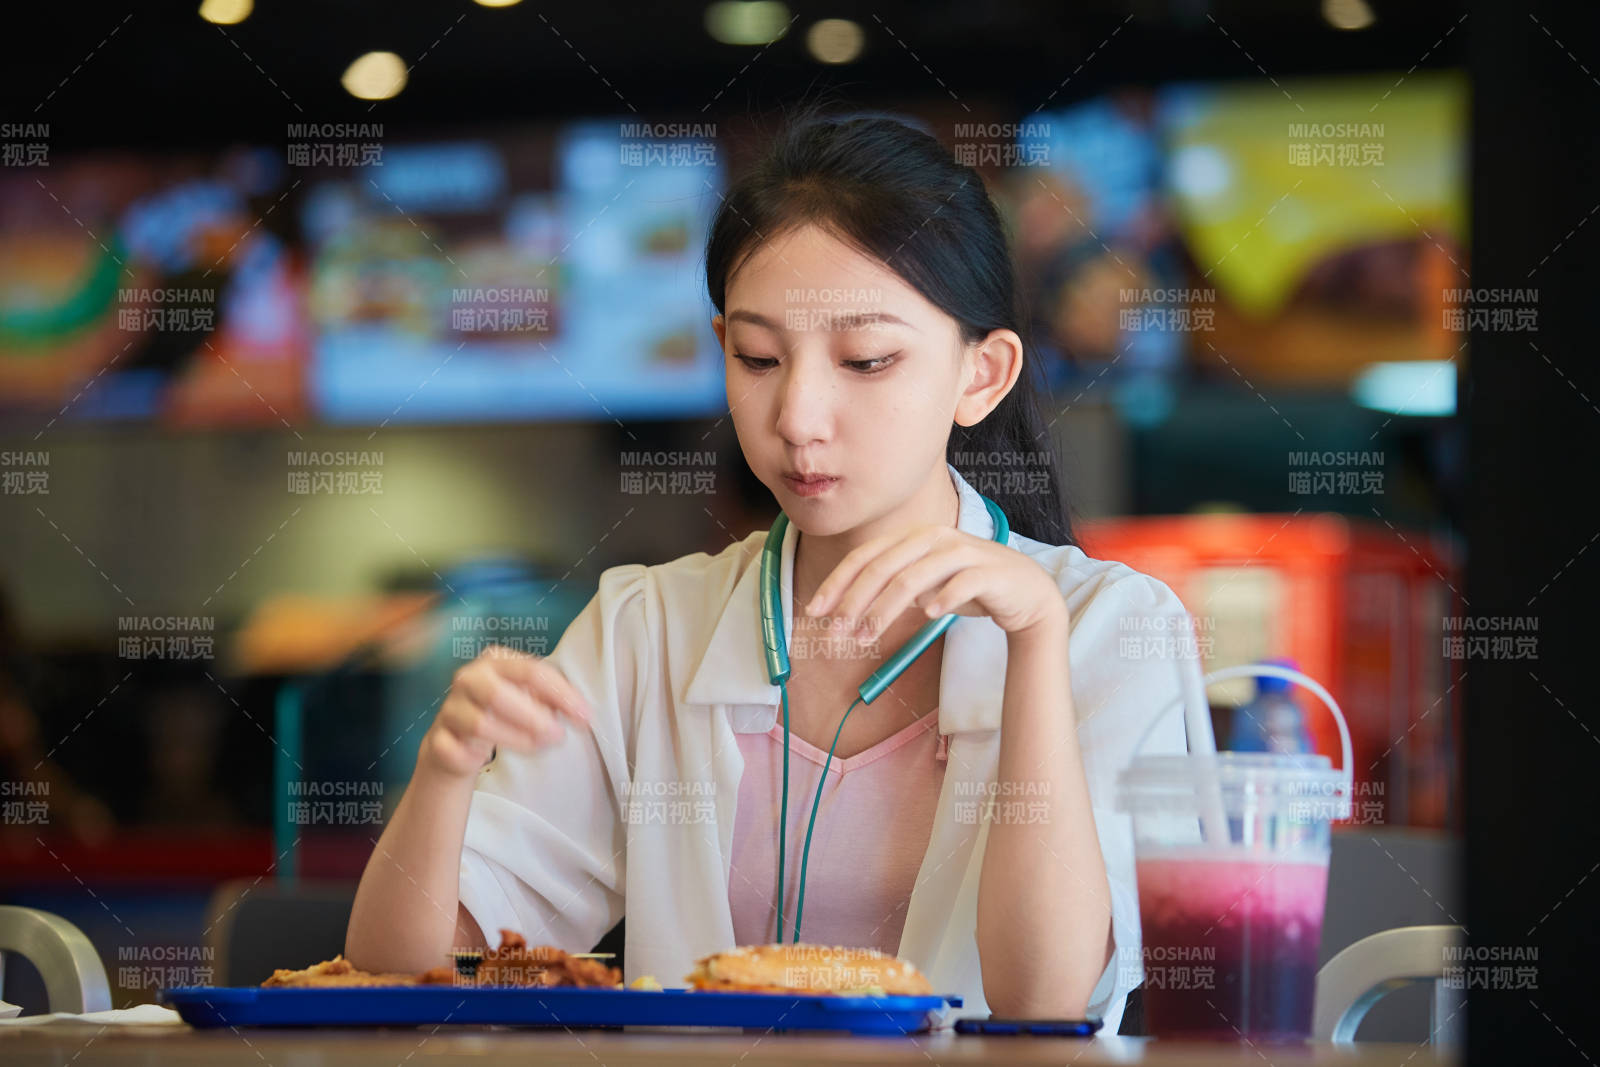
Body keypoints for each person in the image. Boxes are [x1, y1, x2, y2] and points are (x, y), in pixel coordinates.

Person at [345, 109, 1197, 1031]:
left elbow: (1045, 997)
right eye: (757, 358)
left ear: (981, 375)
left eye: (865, 360)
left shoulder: (1110, 625)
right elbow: (401, 978)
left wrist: (1032, 641)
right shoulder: (648, 627)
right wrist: (443, 772)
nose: (798, 414)